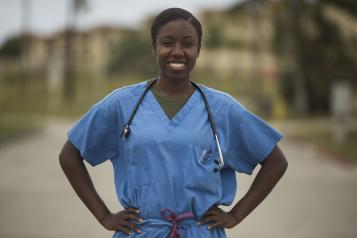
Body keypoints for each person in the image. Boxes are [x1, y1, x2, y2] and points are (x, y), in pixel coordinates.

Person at [59, 7, 288, 238]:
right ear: (154, 48)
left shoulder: (222, 108)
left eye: (187, 44)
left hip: (200, 232)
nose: (177, 51)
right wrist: (104, 216)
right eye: (168, 43)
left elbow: (276, 161)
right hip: (141, 231)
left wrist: (236, 215)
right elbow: (70, 155)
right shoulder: (122, 104)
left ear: (198, 50)